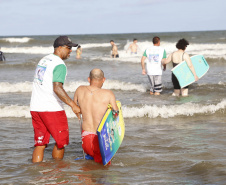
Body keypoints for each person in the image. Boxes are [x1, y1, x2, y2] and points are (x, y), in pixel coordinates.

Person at [30, 36, 81, 163]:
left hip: (36, 107)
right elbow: (57, 88)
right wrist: (72, 105)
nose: (70, 51)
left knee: (40, 143)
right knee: (61, 142)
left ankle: (36, 173)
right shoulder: (59, 64)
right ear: (60, 47)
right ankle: (59, 174)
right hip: (51, 109)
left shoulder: (44, 60)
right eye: (68, 48)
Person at [73, 68, 118, 164]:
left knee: (88, 173)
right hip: (100, 140)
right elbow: (116, 114)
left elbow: (75, 109)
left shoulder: (79, 90)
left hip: (85, 139)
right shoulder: (108, 94)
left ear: (89, 79)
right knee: (104, 171)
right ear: (103, 79)